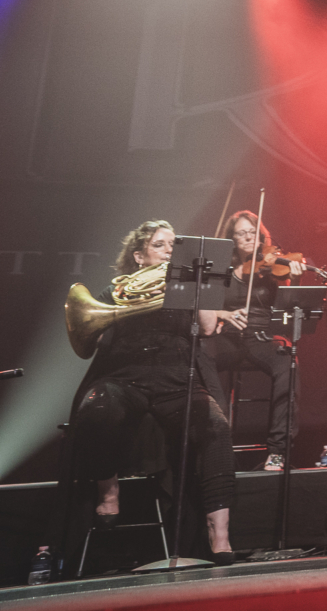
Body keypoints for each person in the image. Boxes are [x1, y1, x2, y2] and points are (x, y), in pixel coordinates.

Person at [70, 220, 236, 563]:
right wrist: (121, 313)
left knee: (216, 427)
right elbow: (94, 337)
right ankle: (109, 489)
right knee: (97, 408)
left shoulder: (187, 287)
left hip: (177, 375)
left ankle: (218, 532)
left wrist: (198, 284)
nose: (169, 251)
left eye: (174, 245)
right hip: (126, 375)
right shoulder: (118, 289)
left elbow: (206, 328)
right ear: (139, 256)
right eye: (160, 245)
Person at [207, 210, 300, 471]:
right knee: (200, 359)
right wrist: (224, 314)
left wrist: (294, 277)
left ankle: (278, 451)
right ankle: (216, 446)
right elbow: (206, 307)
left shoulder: (272, 267)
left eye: (253, 232)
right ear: (232, 239)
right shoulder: (221, 269)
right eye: (242, 233)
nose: (249, 237)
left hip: (261, 336)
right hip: (227, 335)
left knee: (288, 364)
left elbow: (290, 305)